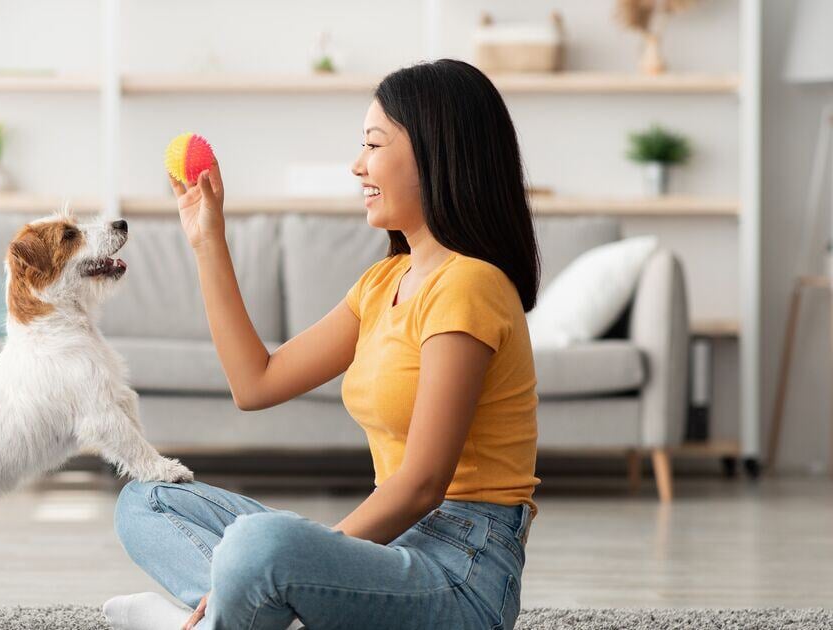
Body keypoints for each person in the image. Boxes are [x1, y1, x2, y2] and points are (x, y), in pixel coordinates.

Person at [102, 59, 541, 630]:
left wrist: (294, 559)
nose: (357, 166)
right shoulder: (384, 282)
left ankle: (209, 618)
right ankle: (240, 613)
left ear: (437, 152)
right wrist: (207, 238)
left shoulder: (470, 285)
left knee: (262, 546)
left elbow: (423, 484)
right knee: (148, 501)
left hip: (462, 574)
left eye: (373, 145)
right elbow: (254, 383)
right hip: (392, 552)